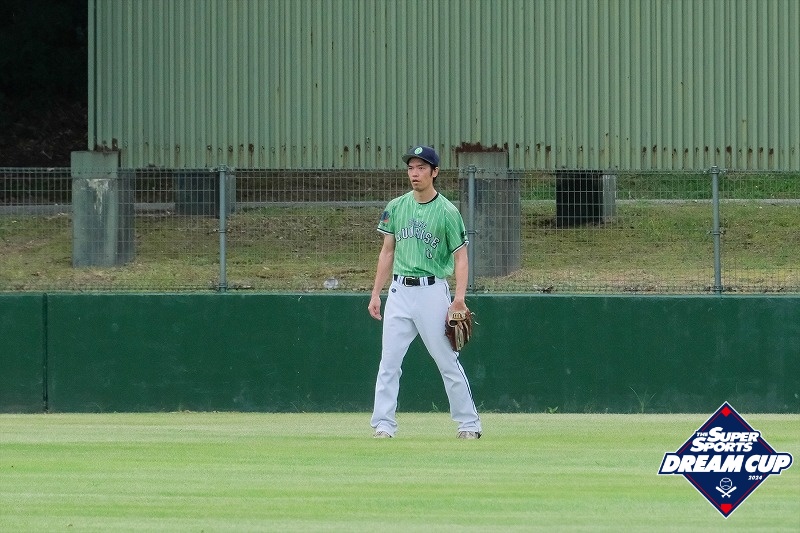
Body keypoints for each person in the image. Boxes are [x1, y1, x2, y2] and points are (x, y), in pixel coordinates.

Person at [368, 145, 482, 439]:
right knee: (389, 363)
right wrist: (376, 293)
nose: (415, 173)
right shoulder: (396, 206)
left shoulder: (447, 211)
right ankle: (383, 424)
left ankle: (469, 424)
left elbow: (461, 258)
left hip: (431, 291)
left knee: (447, 361)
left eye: (421, 168)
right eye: (411, 168)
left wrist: (459, 298)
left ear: (435, 172)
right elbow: (387, 251)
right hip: (399, 292)